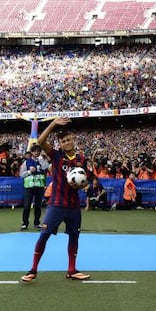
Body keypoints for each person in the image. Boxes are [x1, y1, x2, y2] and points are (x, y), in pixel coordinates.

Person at [21, 116, 90, 283]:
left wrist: (81, 185)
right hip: (57, 204)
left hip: (73, 206)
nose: (67, 143)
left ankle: (72, 270)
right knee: (44, 234)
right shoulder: (56, 156)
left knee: (74, 236)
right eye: (63, 141)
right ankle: (33, 270)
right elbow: (40, 140)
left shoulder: (81, 159)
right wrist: (53, 124)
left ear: (73, 140)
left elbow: (85, 180)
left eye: (68, 140)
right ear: (60, 144)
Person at [19, 144, 49, 230]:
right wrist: (29, 172)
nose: (36, 153)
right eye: (35, 151)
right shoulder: (26, 162)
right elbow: (21, 174)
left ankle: (37, 223)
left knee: (38, 206)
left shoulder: (42, 160)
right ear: (31, 152)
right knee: (27, 206)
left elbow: (46, 167)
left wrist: (42, 159)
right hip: (29, 187)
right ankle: (25, 223)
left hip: (39, 187)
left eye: (38, 151)